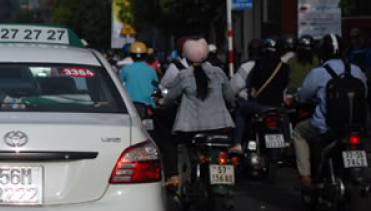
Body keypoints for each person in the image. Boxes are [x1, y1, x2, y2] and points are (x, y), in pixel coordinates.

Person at [293, 34, 367, 189]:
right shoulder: (357, 71)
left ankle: (305, 177)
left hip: (326, 127)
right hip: (355, 126)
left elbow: (302, 96)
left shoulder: (318, 73)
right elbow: (364, 94)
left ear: (323, 53)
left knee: (298, 133)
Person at [160, 38, 236, 188]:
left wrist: (161, 104)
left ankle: (173, 176)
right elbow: (230, 97)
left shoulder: (184, 75)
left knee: (168, 140)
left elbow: (169, 98)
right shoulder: (219, 72)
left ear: (186, 56)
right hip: (220, 128)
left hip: (191, 130)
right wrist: (231, 107)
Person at [231, 37, 291, 152]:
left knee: (240, 111)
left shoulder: (258, 64)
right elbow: (284, 86)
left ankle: (237, 143)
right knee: (284, 114)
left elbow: (253, 84)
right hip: (277, 106)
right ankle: (287, 140)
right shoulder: (284, 66)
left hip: (260, 106)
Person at [118, 41, 159, 115]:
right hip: (148, 105)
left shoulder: (125, 69)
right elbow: (156, 87)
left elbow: (118, 85)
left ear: (131, 55)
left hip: (130, 105)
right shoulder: (151, 69)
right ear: (145, 55)